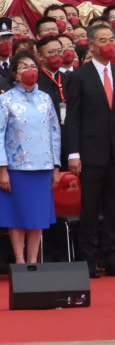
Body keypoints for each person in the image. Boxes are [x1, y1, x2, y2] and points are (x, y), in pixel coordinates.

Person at [62, 22, 115, 278]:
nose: (110, 44)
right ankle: (88, 259)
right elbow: (72, 118)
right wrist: (74, 154)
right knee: (91, 208)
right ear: (92, 45)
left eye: (112, 39)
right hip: (89, 153)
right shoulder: (78, 76)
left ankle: (112, 258)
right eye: (103, 40)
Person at [0, 47, 61, 265]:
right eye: (24, 67)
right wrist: (2, 169)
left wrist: (55, 166)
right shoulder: (6, 99)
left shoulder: (45, 98)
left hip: (42, 167)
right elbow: (0, 135)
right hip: (16, 168)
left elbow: (55, 132)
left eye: (33, 66)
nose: (30, 70)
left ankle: (33, 261)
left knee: (38, 218)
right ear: (14, 73)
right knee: (17, 217)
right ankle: (19, 260)